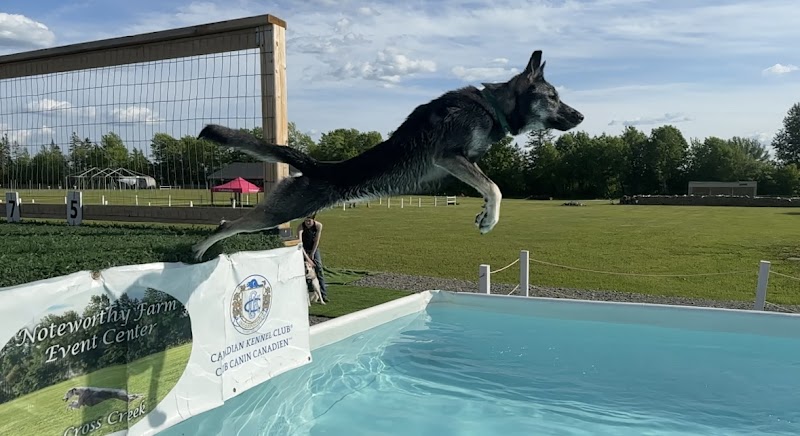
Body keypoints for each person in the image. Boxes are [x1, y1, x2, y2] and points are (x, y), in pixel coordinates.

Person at [297, 213, 329, 302]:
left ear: (313, 220)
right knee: (303, 269)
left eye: (309, 221)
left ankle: (323, 294)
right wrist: (307, 258)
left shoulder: (318, 226)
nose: (307, 222)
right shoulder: (301, 227)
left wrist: (313, 254)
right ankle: (303, 295)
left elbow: (316, 241)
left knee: (318, 268)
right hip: (303, 249)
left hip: (313, 248)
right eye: (306, 220)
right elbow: (300, 244)